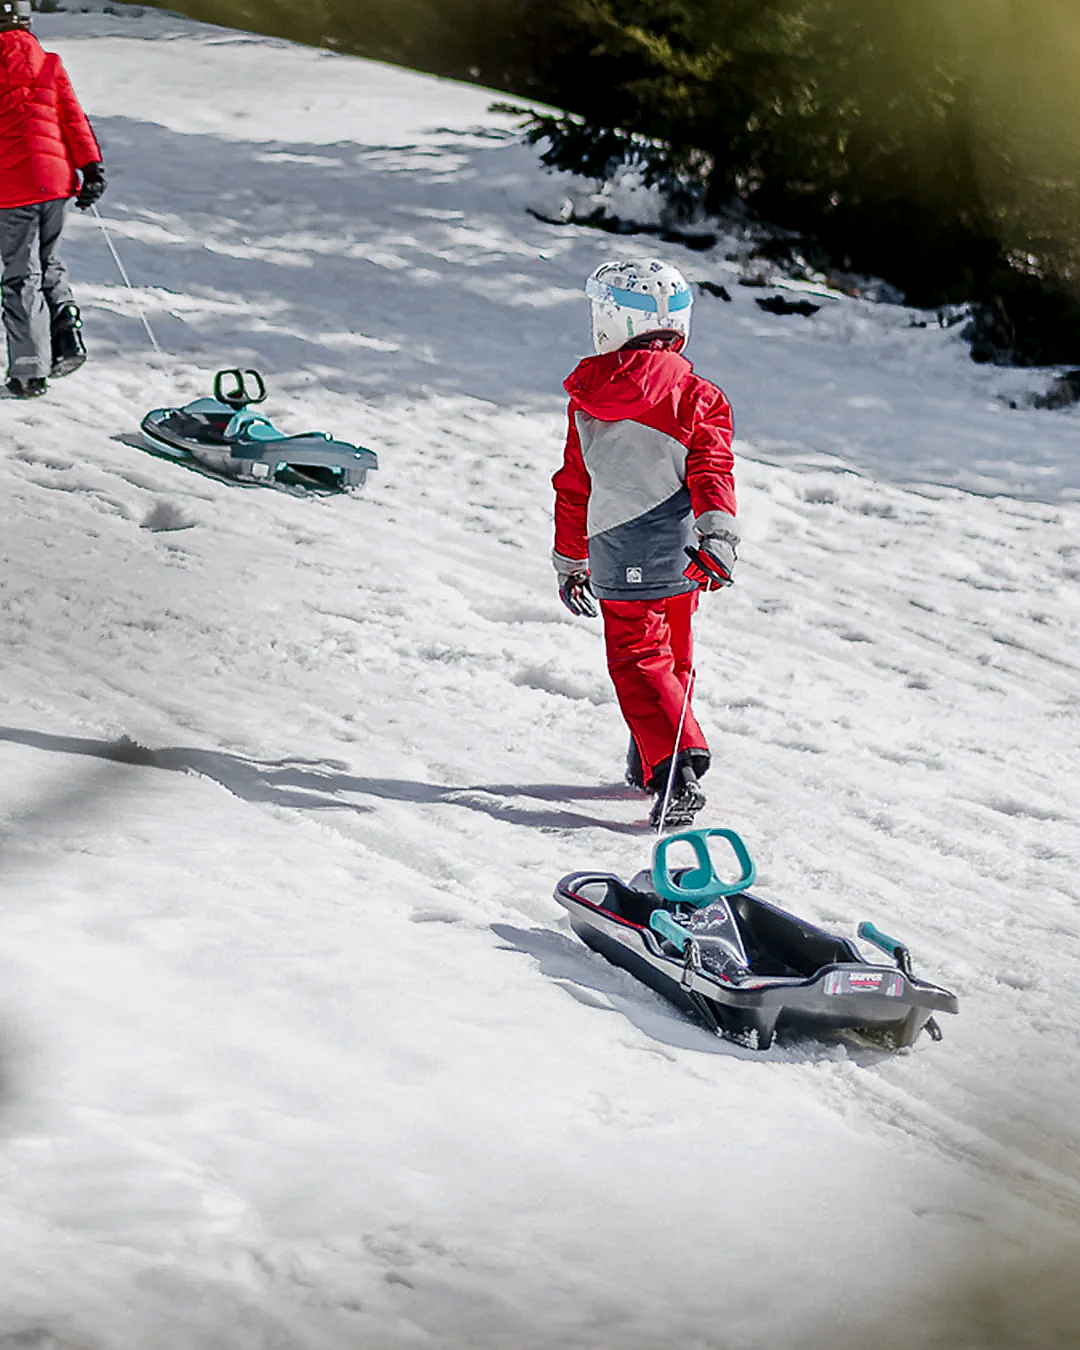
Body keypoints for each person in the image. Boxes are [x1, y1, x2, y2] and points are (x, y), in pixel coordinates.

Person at [551, 258, 738, 829]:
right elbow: (713, 470)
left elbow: (574, 486)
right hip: (686, 553)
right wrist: (719, 536)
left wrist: (570, 559)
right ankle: (649, 753)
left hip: (618, 548)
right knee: (672, 658)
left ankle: (678, 766)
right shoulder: (698, 395)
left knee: (637, 659)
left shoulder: (588, 398)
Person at [0, 0, 106, 398]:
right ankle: (66, 337)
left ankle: (29, 370)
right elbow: (72, 118)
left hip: (13, 187)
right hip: (57, 182)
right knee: (49, 262)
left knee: (21, 275)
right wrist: (91, 167)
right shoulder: (49, 63)